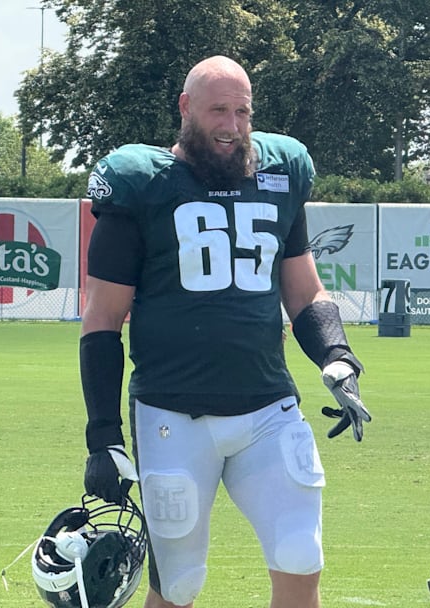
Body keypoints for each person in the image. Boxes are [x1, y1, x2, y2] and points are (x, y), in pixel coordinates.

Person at [78, 55, 370, 608]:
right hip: (172, 415)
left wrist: (337, 355)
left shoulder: (280, 172)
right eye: (218, 110)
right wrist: (103, 437)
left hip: (268, 410)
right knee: (179, 583)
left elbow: (304, 291)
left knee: (300, 555)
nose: (232, 126)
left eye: (242, 111)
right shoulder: (141, 181)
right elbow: (102, 317)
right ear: (186, 108)